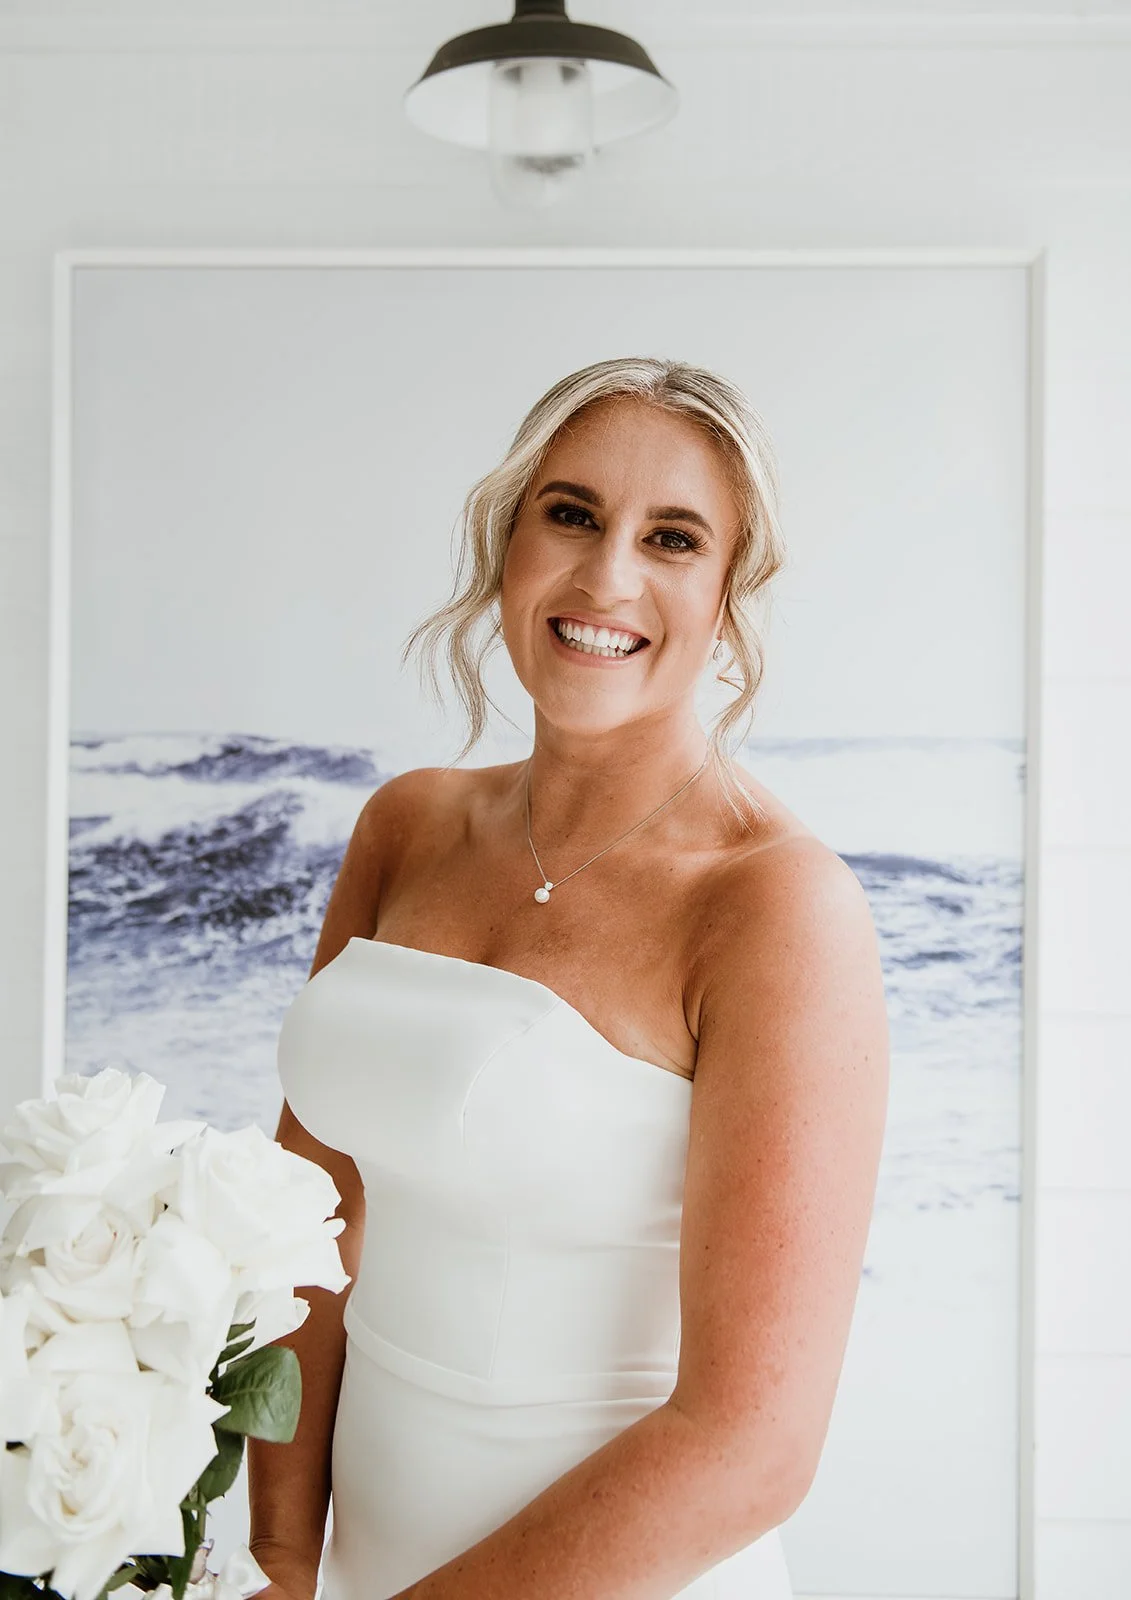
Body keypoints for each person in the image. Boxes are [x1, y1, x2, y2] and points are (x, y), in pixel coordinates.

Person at [248, 356, 889, 1600]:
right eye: (573, 513)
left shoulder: (775, 903)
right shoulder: (407, 824)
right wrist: (279, 1558)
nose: (607, 578)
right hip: (363, 1560)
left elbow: (750, 1446)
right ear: (509, 540)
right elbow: (300, 1233)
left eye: (673, 538)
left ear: (726, 598)